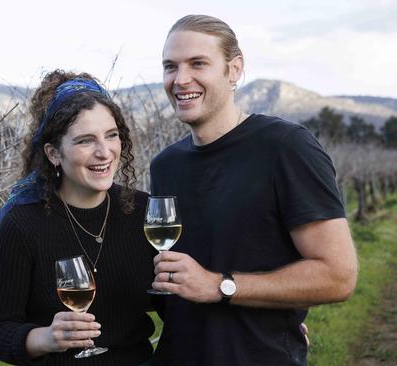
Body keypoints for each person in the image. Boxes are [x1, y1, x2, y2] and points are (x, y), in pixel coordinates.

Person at [148, 15, 358, 365]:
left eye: (198, 63)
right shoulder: (165, 165)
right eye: (170, 66)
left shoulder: (286, 147)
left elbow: (338, 275)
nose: (180, 79)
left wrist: (220, 286)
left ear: (234, 69)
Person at [0, 70, 159, 365]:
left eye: (111, 135)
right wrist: (48, 338)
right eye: (85, 141)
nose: (104, 152)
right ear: (54, 153)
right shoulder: (22, 223)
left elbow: (175, 312)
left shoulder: (141, 211)